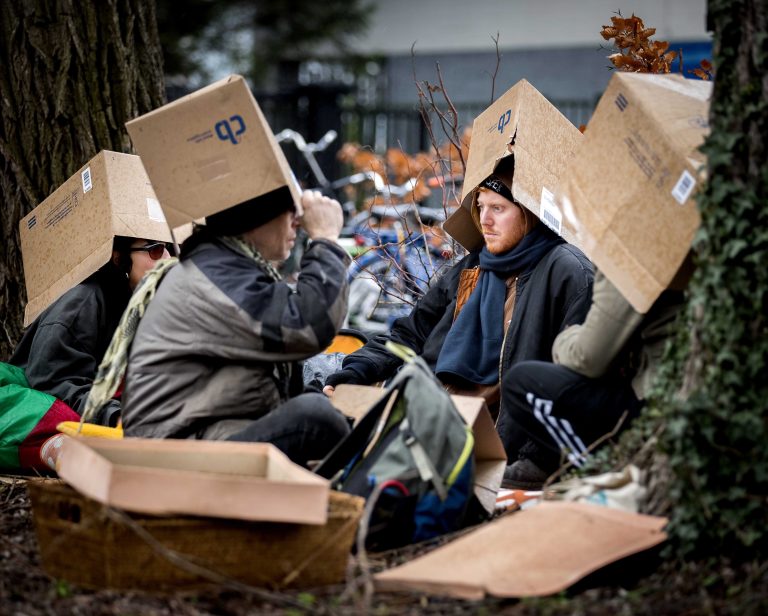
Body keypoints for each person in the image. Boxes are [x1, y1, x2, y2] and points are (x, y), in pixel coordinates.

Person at [324, 162, 594, 453]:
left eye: (498, 209)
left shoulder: (564, 270)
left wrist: (531, 459)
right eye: (480, 206)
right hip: (429, 418)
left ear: (528, 212)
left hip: (495, 444)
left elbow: (573, 381)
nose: (485, 220)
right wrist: (357, 370)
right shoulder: (474, 267)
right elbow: (411, 333)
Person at [119, 188, 352, 467]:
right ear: (255, 217)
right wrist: (326, 239)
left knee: (323, 410)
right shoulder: (217, 275)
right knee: (316, 418)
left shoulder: (224, 267)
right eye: (289, 210)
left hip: (195, 438)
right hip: (172, 454)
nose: (298, 221)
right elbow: (309, 325)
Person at [499, 268, 687, 489]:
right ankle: (544, 458)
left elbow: (588, 357)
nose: (487, 230)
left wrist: (565, 337)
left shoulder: (627, 256)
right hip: (664, 396)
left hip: (655, 407)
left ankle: (598, 471)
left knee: (522, 383)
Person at [9, 237, 170, 426]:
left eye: (169, 249)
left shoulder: (137, 303)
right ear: (119, 258)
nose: (167, 258)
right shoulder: (81, 304)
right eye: (156, 250)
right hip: (39, 433)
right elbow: (53, 386)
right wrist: (115, 416)